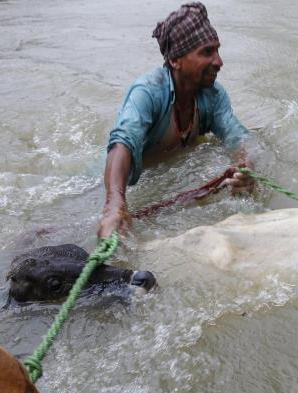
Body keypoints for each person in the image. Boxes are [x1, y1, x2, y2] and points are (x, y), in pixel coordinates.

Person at [97, 2, 254, 239]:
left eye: (218, 50)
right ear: (175, 60)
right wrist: (114, 203)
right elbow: (123, 142)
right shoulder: (148, 92)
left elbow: (237, 136)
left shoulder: (213, 96)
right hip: (109, 179)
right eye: (207, 52)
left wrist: (246, 168)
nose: (219, 62)